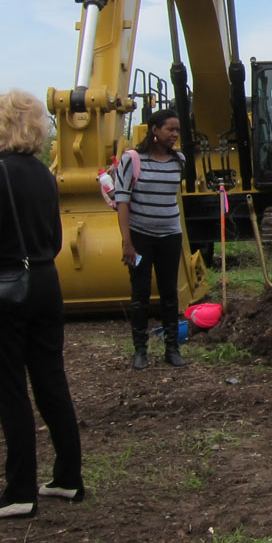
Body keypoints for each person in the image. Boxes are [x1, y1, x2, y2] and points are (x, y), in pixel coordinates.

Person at [0, 89, 86, 520]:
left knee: (11, 389)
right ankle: (68, 477)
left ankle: (18, 489)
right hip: (46, 284)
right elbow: (54, 239)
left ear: (0, 127)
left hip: (5, 287)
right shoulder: (44, 175)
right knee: (51, 379)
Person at [114, 108, 187, 369]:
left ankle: (172, 349)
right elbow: (122, 199)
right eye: (170, 129)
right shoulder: (132, 159)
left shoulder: (179, 160)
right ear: (155, 130)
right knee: (140, 293)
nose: (175, 135)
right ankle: (140, 351)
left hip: (170, 235)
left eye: (177, 130)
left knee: (170, 293)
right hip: (140, 237)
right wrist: (127, 241)